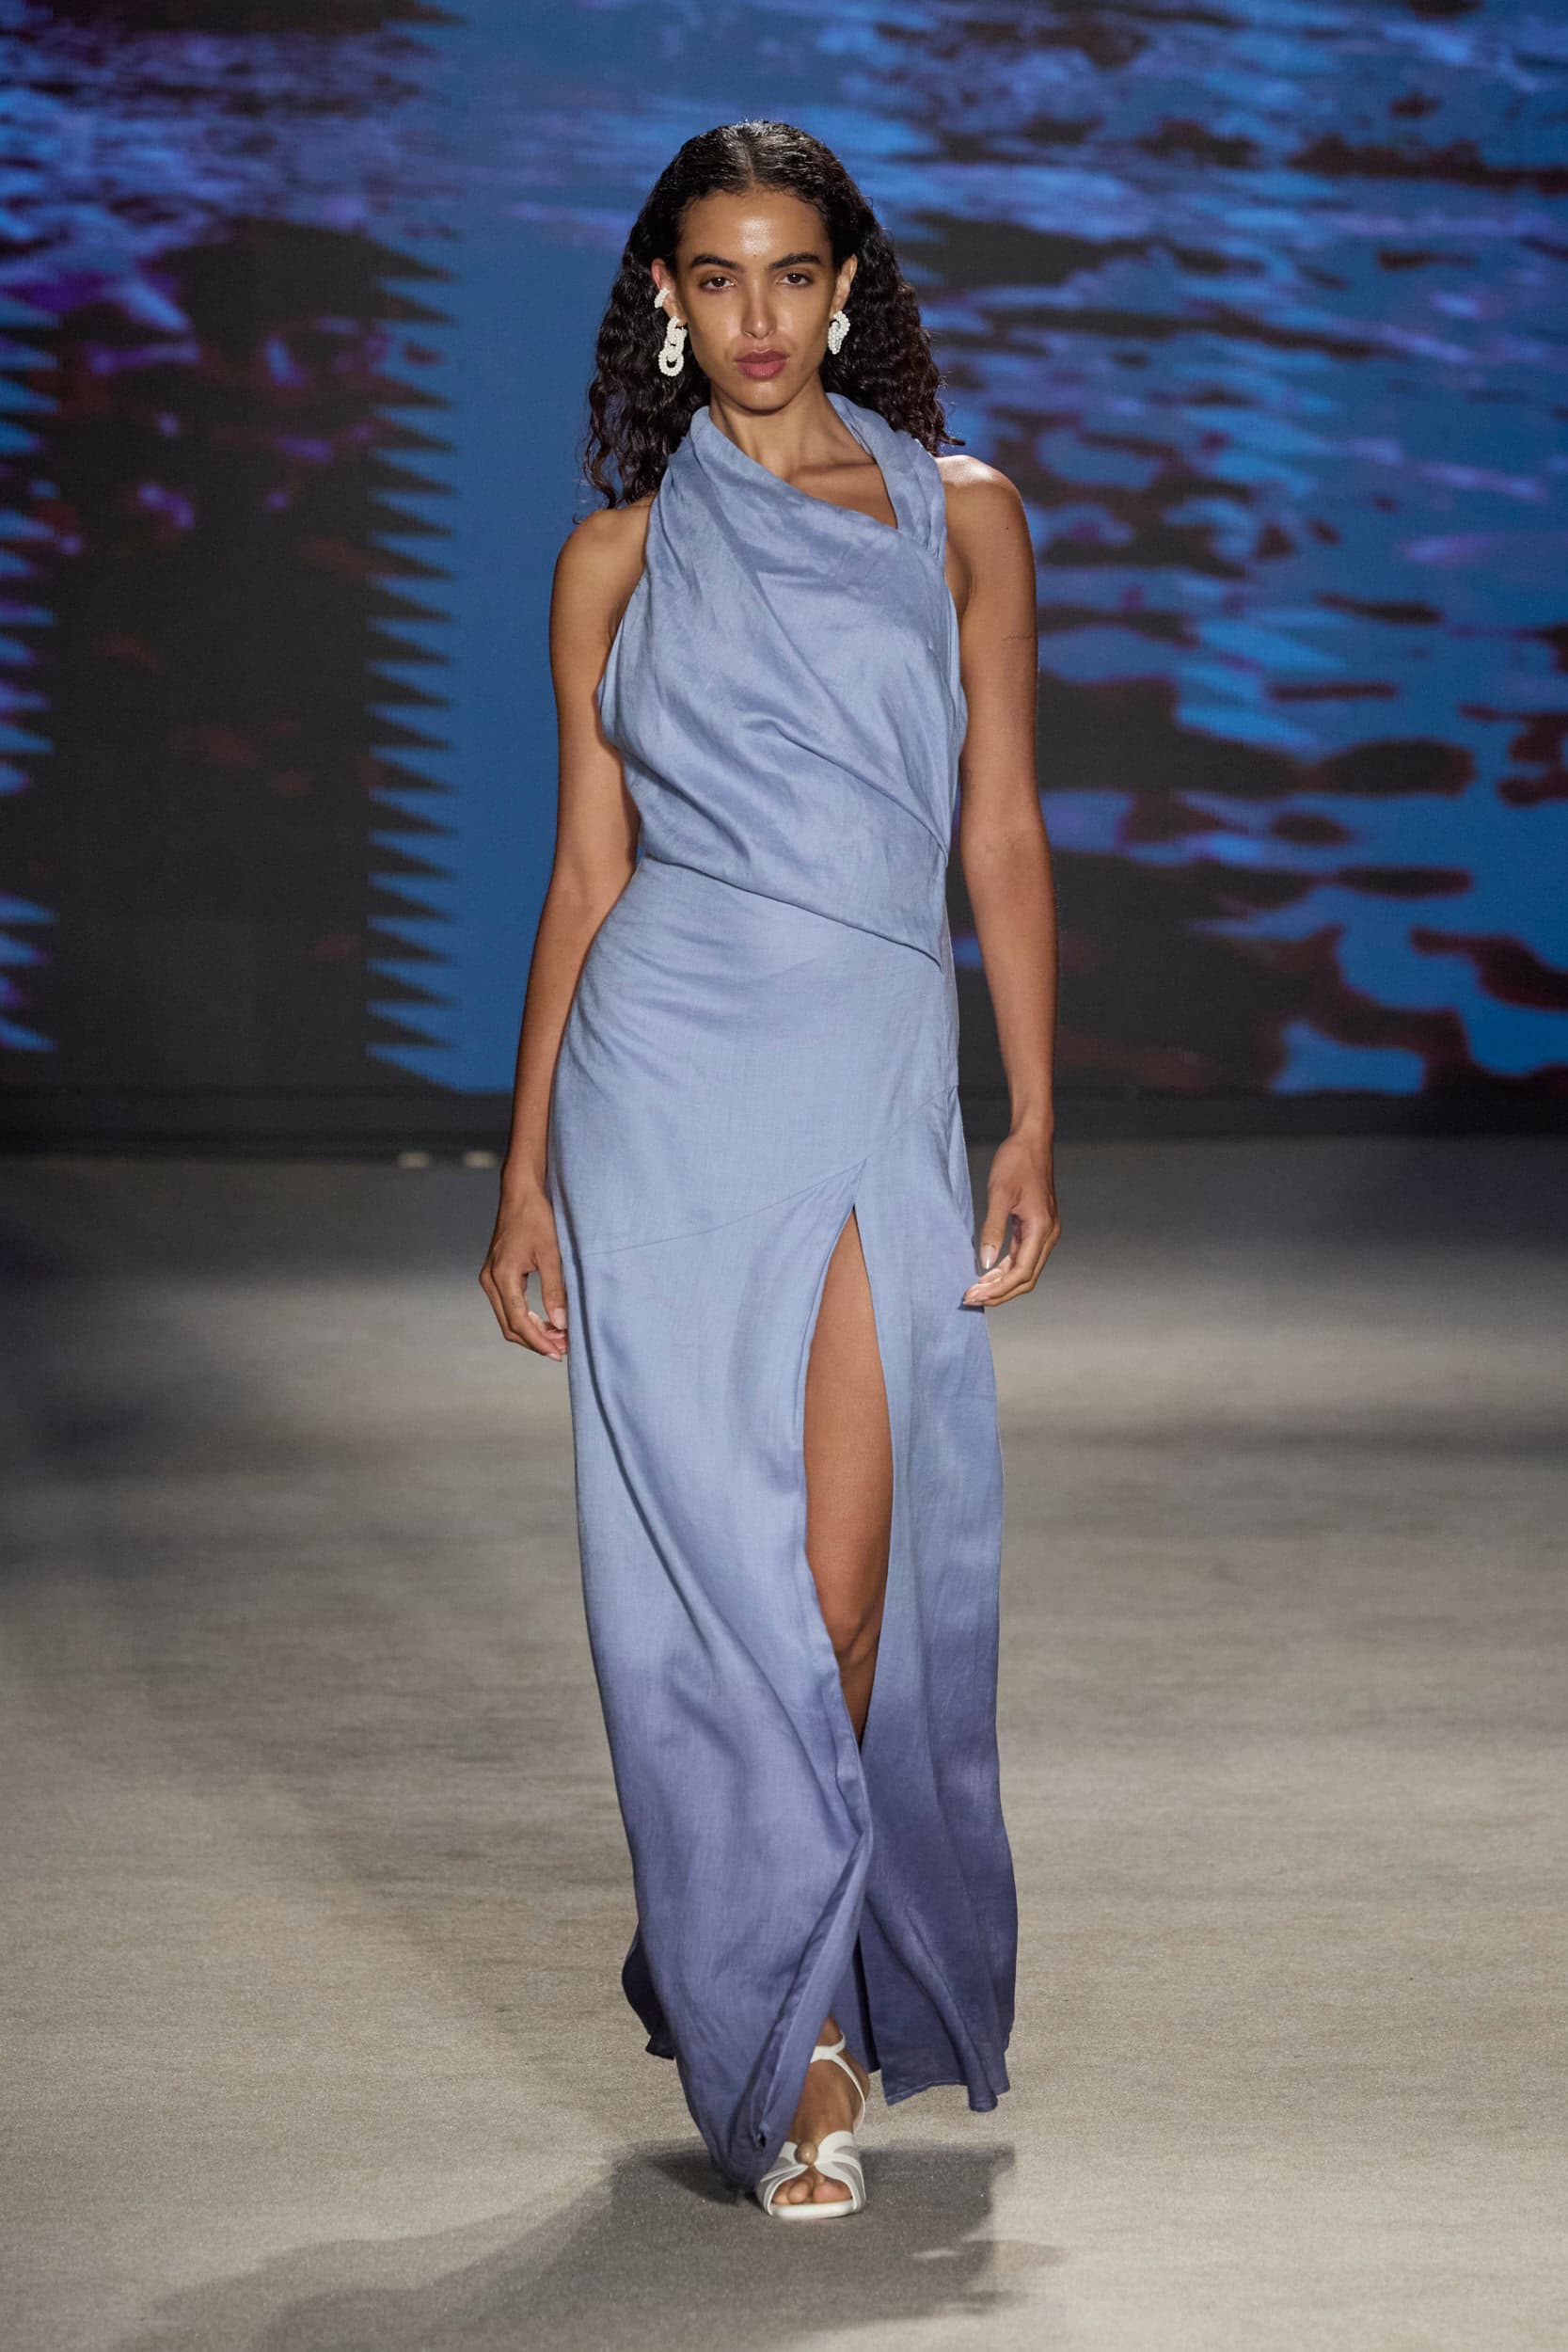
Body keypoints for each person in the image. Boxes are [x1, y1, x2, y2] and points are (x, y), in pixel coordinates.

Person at [481, 119, 1059, 2219]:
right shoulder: (614, 559)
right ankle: (799, 2031)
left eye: (790, 274)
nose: (755, 316)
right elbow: (584, 872)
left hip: (874, 1070)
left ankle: (747, 1947)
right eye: (714, 277)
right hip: (660, 1077)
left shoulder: (963, 520)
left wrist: (1035, 1108)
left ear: (845, 288)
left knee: (837, 1589)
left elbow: (1001, 827)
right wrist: (525, 1170)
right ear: (666, 296)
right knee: (703, 1592)